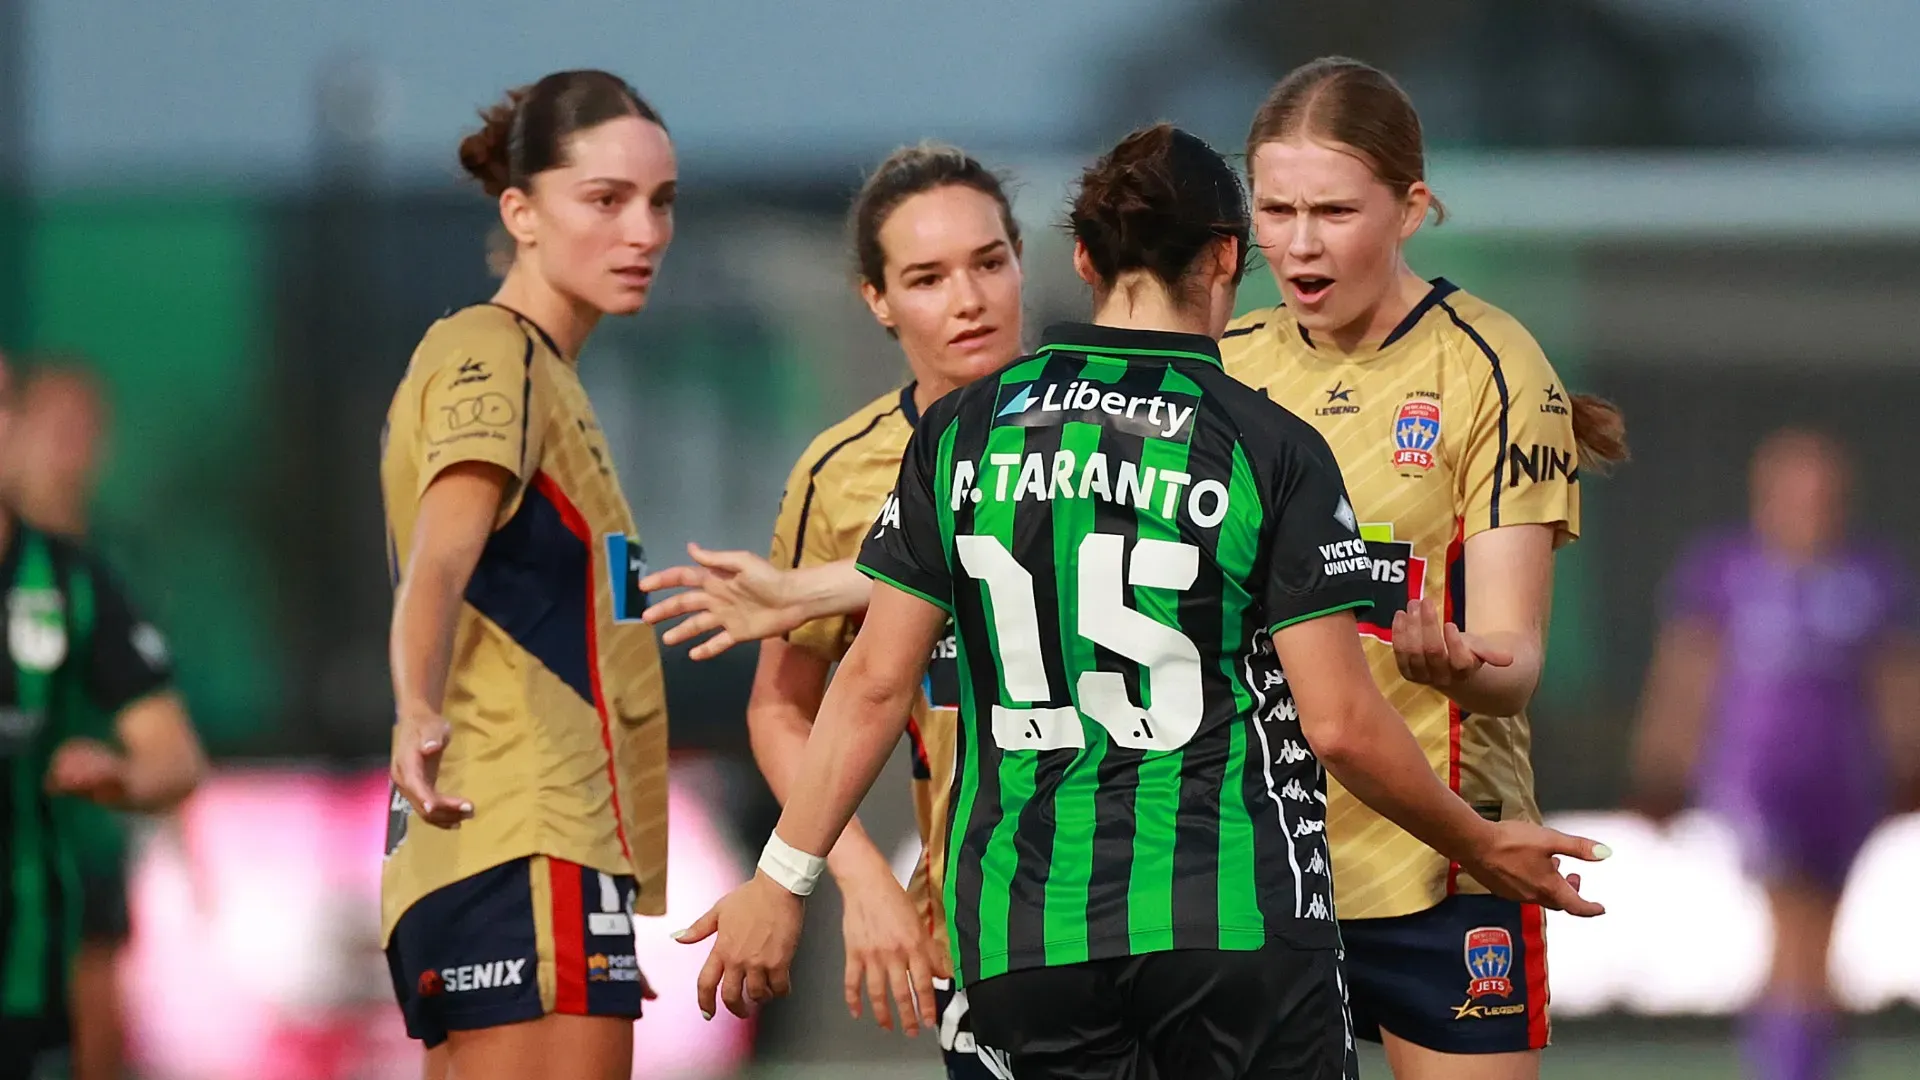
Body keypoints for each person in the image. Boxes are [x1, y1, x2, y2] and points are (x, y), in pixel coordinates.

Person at [675, 123, 1607, 1080]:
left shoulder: (960, 433)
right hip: (1230, 918)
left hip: (1025, 933)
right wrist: (1479, 841)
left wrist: (782, 879)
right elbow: (1338, 726)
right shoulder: (1266, 444)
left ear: (1081, 258)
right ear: (1225, 258)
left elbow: (871, 683)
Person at [1217, 57, 1632, 1080]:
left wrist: (1459, 668)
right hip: (1254, 867)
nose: (1300, 243)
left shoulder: (1489, 365)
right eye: (1276, 209)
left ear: (1411, 207)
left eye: (1333, 210)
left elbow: (1515, 661)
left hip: (1449, 861)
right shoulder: (1224, 365)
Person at [647, 144, 1026, 1078]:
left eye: (989, 262)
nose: (969, 299)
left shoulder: (1117, 420)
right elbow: (782, 709)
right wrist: (860, 881)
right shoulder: (842, 471)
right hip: (977, 909)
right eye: (927, 278)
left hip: (1169, 891)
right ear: (876, 300)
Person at [379, 70, 675, 1080]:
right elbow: (441, 559)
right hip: (523, 835)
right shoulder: (490, 350)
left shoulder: (549, 375)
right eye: (606, 200)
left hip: (514, 846)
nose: (644, 230)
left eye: (659, 201)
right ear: (521, 211)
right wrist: (414, 700)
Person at [1627, 428, 1920, 1080]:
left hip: (1845, 780)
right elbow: (1687, 674)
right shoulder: (1726, 570)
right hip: (1758, 777)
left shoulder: (1871, 575)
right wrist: (1661, 764)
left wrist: (1908, 761)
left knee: (1817, 944)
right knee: (1795, 931)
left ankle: (1800, 1058)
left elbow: (1897, 680)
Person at [0, 353, 203, 1080]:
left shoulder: (87, 575)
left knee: (90, 1031)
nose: (68, 446)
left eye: (83, 428)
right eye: (56, 426)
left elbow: (169, 743)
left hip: (71, 862)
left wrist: (160, 812)